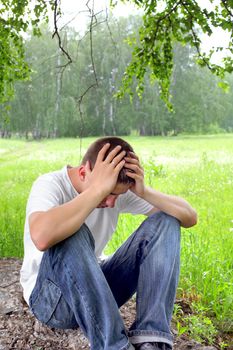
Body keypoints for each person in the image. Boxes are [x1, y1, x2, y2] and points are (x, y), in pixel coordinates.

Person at [20, 136, 197, 350]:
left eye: (116, 195)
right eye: (109, 194)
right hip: (53, 302)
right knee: (71, 231)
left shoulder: (116, 193)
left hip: (94, 291)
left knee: (166, 220)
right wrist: (98, 191)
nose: (112, 202)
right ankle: (115, 346)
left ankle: (152, 340)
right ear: (84, 173)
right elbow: (41, 236)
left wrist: (144, 191)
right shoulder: (50, 184)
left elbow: (189, 217)